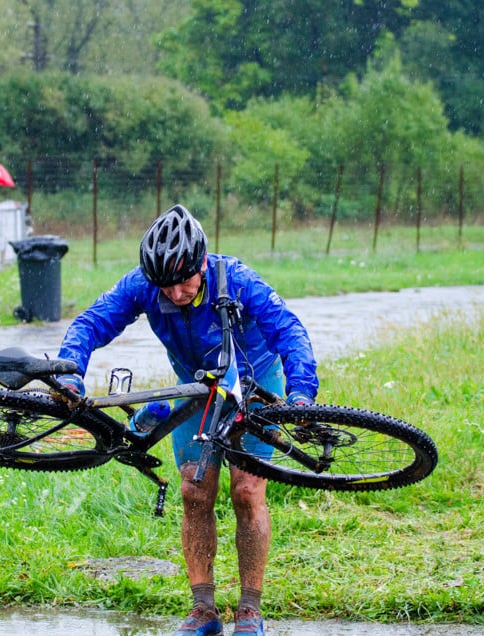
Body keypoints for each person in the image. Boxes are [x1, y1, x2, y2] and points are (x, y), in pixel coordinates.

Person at [56, 204, 318, 636]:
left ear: (200, 263)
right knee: (194, 492)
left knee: (247, 492)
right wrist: (69, 370)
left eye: (185, 281)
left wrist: (302, 392)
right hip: (195, 387)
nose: (176, 293)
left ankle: (249, 609)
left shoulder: (236, 279)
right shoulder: (143, 285)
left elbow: (288, 329)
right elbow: (92, 322)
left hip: (255, 383)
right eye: (166, 285)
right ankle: (203, 610)